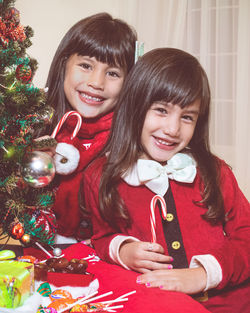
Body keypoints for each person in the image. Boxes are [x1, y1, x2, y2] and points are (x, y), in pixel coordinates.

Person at [82, 48, 250, 312]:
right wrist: (123, 250)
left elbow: (247, 234)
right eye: (161, 110)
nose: (172, 129)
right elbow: (102, 236)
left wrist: (203, 274)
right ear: (135, 107)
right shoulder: (100, 176)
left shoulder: (214, 172)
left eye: (187, 117)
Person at [41, 12, 137, 242]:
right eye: (85, 65)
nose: (96, 83)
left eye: (113, 73)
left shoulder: (131, 143)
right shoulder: (36, 127)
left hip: (105, 258)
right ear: (64, 65)